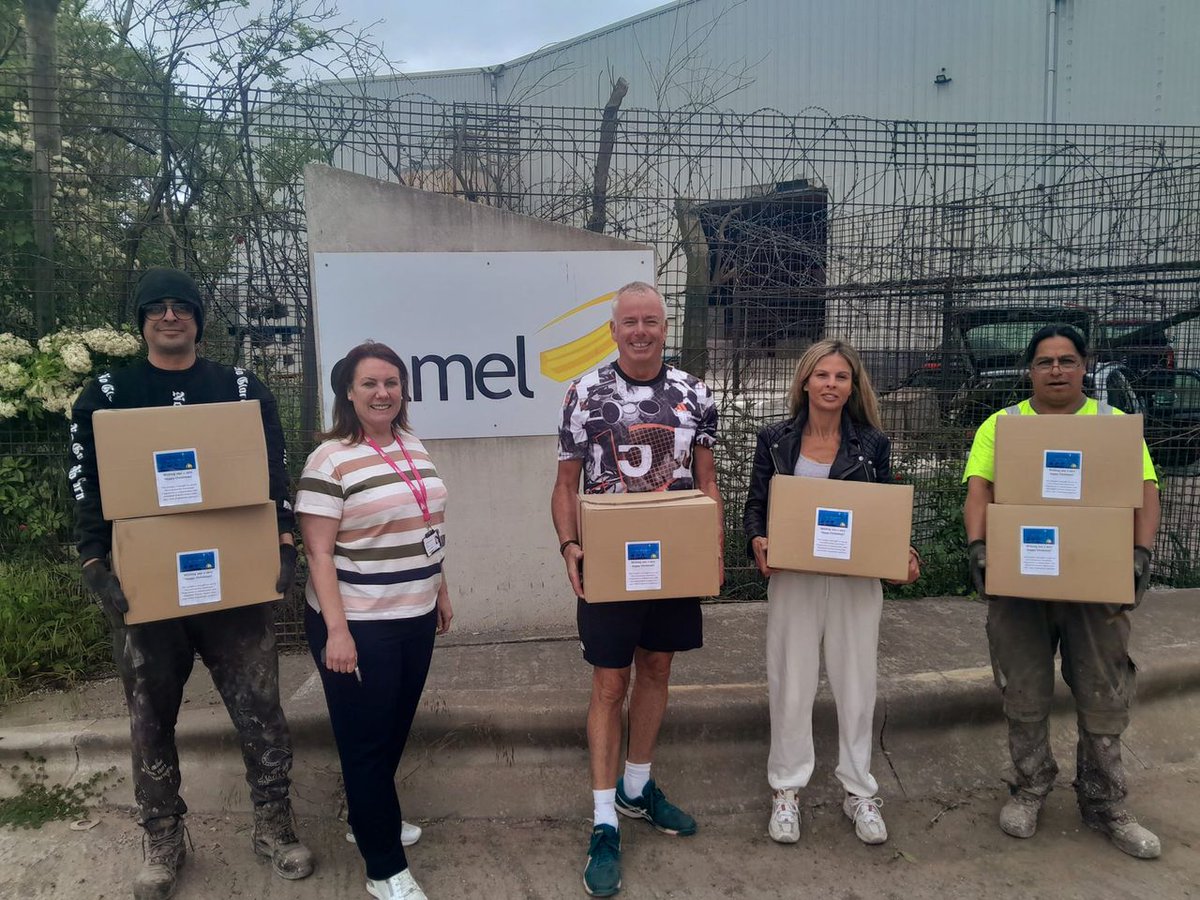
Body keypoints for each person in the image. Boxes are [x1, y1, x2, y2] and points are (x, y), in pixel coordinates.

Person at [69, 267, 313, 900]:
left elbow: (272, 469)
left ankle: (273, 822)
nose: (171, 316)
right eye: (158, 308)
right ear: (142, 320)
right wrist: (95, 559)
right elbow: (88, 486)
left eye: (183, 307)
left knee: (260, 708)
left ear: (200, 319)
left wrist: (282, 540)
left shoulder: (238, 387)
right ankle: (162, 834)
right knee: (150, 715)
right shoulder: (106, 392)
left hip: (231, 584)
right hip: (146, 588)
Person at [962, 323, 1161, 859]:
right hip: (1022, 579)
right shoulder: (1002, 426)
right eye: (1045, 361)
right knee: (1024, 690)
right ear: (1030, 370)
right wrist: (979, 547)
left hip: (1096, 583)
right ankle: (1030, 788)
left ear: (1084, 366)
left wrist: (1141, 554)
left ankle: (1105, 803)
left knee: (1103, 691)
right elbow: (978, 490)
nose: (1056, 370)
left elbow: (1146, 490)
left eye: (1066, 361)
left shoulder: (1113, 425)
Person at [551, 281, 723, 898]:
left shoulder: (693, 393)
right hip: (608, 561)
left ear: (664, 325)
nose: (641, 330)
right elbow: (566, 484)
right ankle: (603, 822)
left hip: (672, 559)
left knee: (656, 668)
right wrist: (570, 547)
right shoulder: (585, 393)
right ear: (615, 329)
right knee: (608, 682)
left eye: (651, 320)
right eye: (631, 321)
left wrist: (713, 550)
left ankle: (636, 787)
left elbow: (706, 479)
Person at [742, 339, 919, 848]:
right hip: (794, 579)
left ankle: (859, 789)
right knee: (791, 682)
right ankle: (787, 789)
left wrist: (900, 555)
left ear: (852, 385)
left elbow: (886, 512)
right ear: (804, 381)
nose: (831, 385)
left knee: (856, 683)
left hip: (854, 581)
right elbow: (756, 505)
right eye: (822, 375)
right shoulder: (775, 440)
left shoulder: (873, 444)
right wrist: (758, 540)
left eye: (841, 377)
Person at [296, 341, 453, 900]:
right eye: (370, 384)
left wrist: (440, 588)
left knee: (392, 729)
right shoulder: (330, 458)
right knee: (365, 741)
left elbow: (422, 523)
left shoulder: (411, 444)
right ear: (348, 392)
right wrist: (337, 632)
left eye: (391, 382)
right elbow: (317, 554)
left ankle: (369, 817)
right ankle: (383, 865)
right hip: (359, 623)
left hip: (415, 613)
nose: (383, 392)